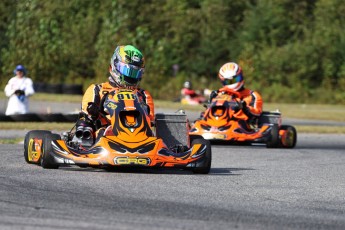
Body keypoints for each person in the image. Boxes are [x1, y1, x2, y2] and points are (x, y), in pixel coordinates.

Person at [76, 45, 154, 141]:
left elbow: (150, 120)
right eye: (128, 71)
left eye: (135, 73)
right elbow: (86, 115)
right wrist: (94, 113)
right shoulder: (97, 90)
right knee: (88, 125)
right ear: (114, 66)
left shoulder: (143, 95)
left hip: (140, 136)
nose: (131, 76)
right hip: (105, 136)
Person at [209, 62, 263, 129]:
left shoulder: (252, 95)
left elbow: (257, 113)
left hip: (242, 125)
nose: (232, 83)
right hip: (218, 122)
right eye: (228, 81)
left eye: (234, 80)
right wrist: (212, 100)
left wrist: (244, 107)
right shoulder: (219, 93)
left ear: (240, 76)